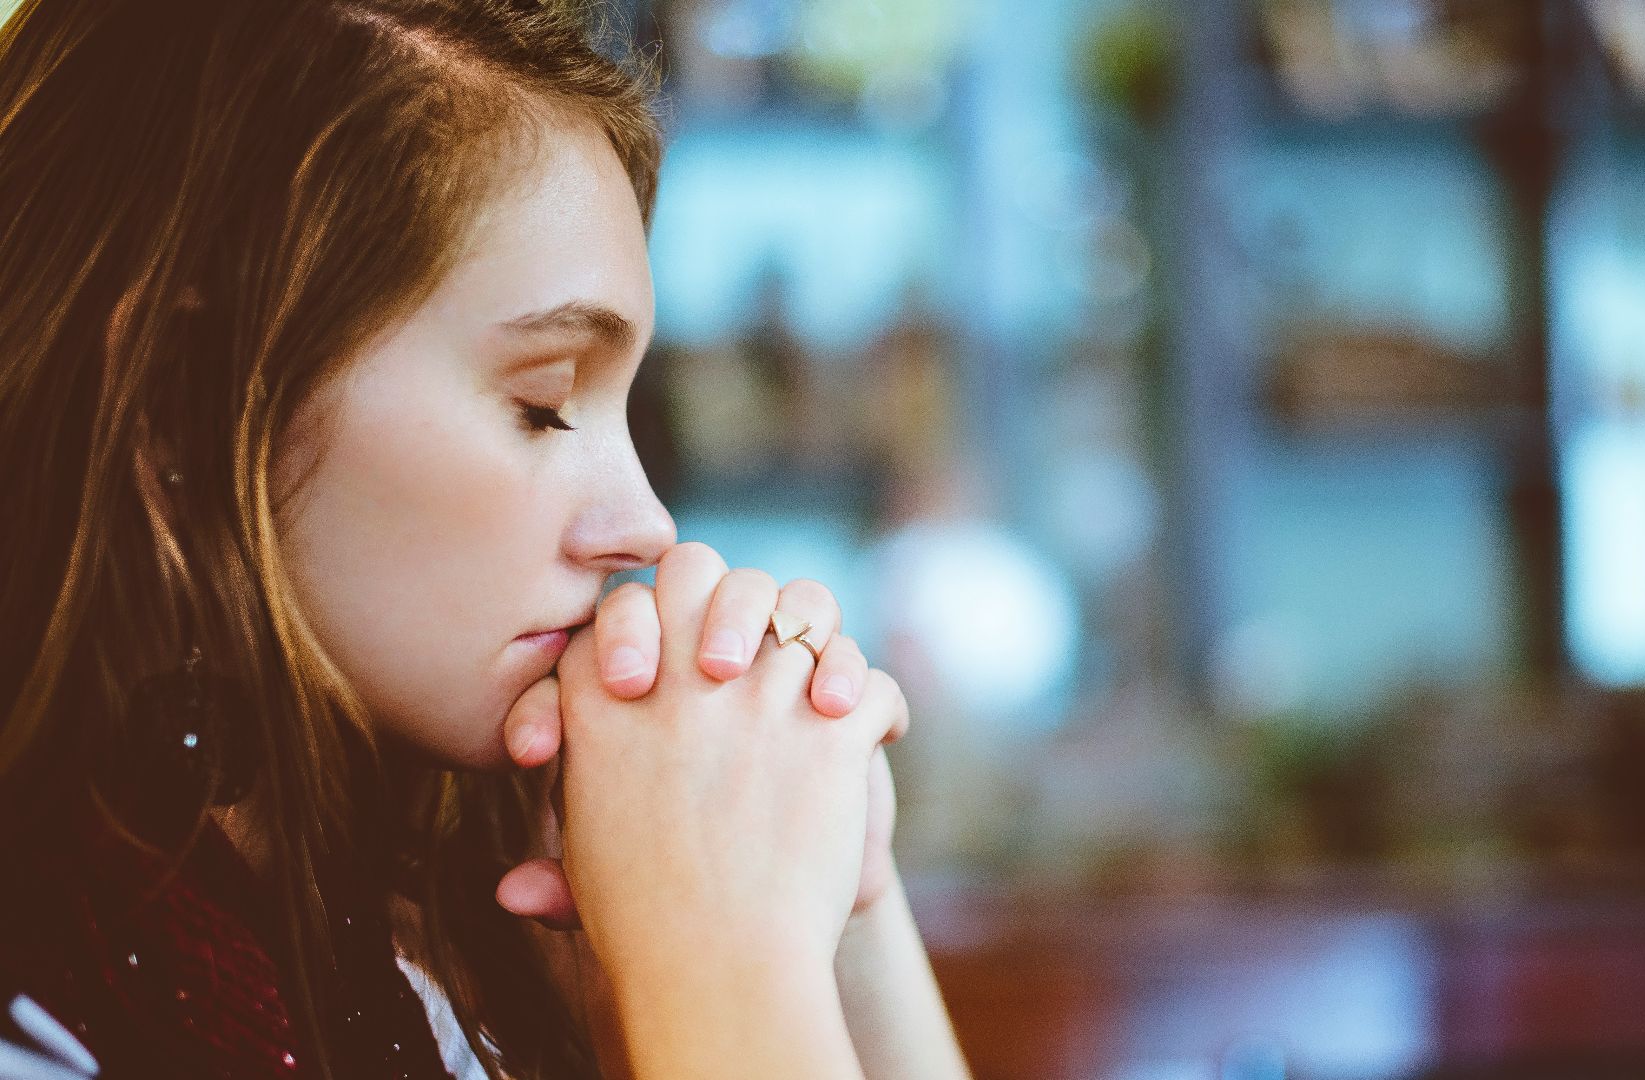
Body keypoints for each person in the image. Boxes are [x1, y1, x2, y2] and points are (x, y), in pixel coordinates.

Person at [0, 0, 972, 1077]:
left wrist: (841, 902)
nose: (645, 525)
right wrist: (721, 960)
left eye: (626, 409)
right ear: (183, 401)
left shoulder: (451, 935)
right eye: (545, 403)